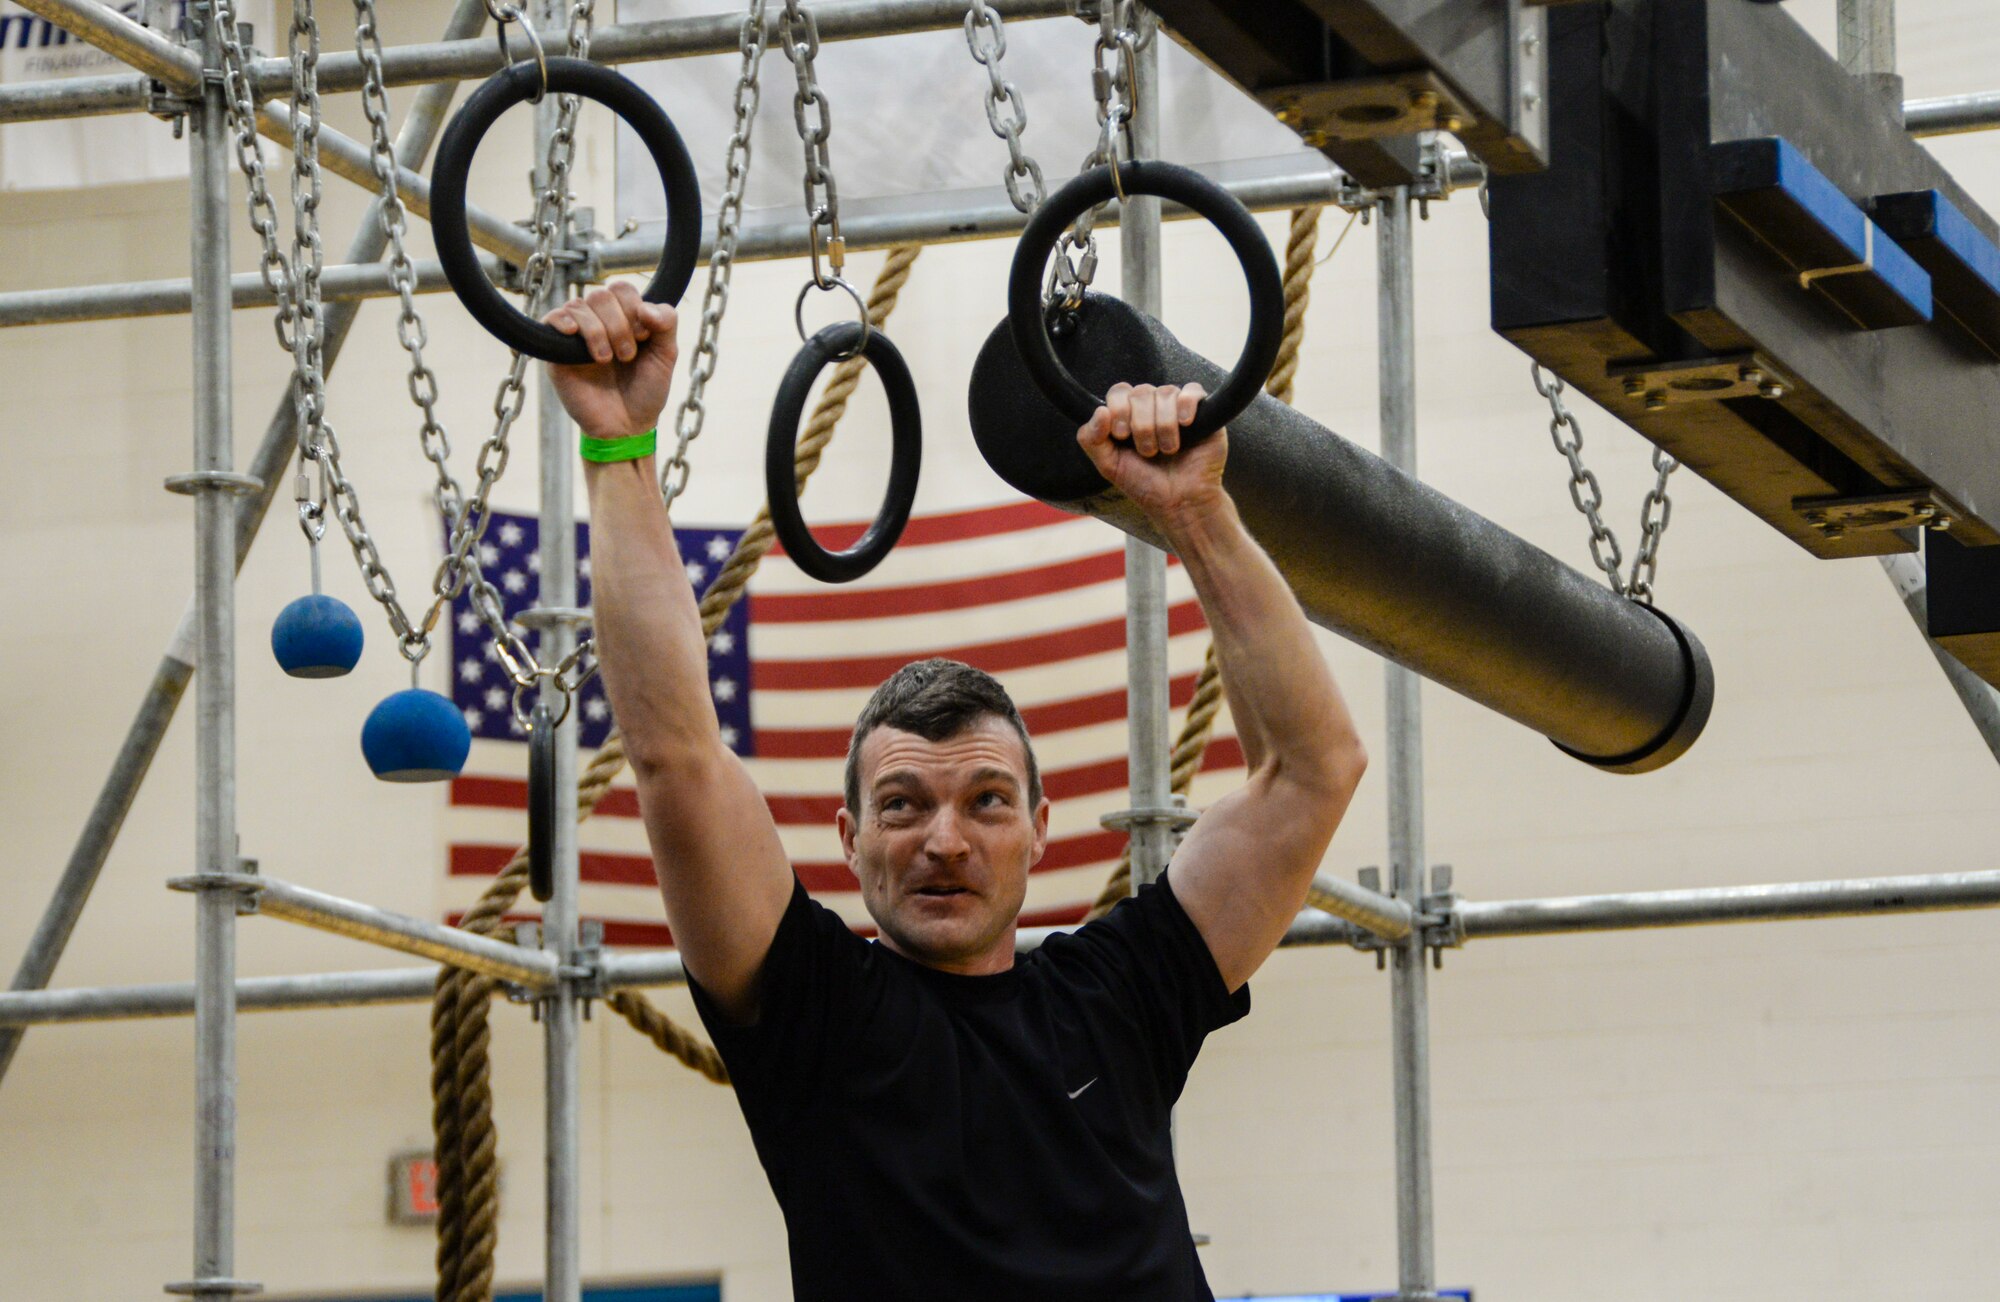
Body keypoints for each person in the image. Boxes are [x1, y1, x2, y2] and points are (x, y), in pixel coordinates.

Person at [546, 282, 1368, 1302]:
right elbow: (674, 757)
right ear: (847, 837)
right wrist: (619, 449)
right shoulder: (813, 1015)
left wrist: (1197, 513)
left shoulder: (1115, 996)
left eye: (984, 802)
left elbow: (1313, 769)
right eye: (902, 805)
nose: (943, 840)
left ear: (1037, 829)